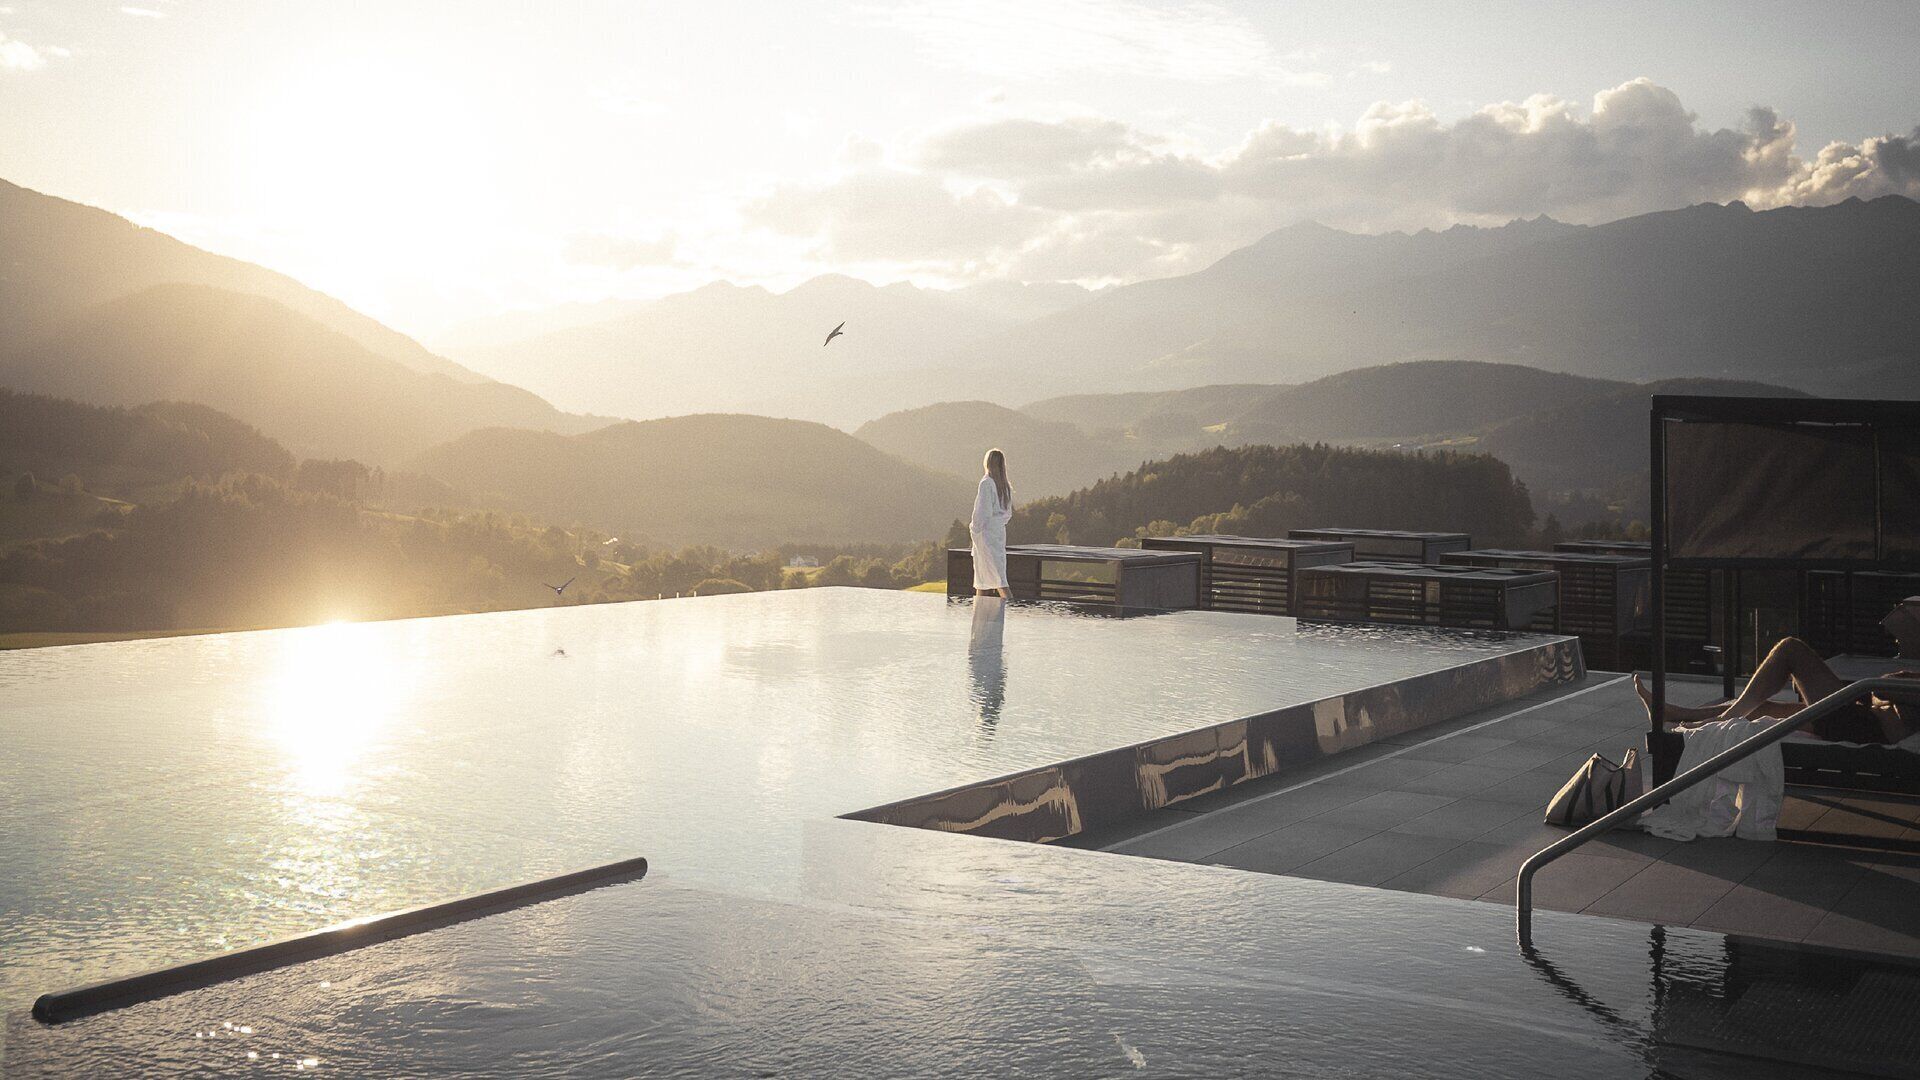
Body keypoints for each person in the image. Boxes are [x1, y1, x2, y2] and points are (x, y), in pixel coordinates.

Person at [1635, 598, 1920, 744]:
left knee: (1790, 649)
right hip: (1863, 717)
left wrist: (1897, 681)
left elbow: (1885, 689)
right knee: (1764, 707)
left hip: (1864, 726)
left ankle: (1723, 719)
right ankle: (1672, 714)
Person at [970, 448, 1013, 598]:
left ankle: (1012, 611)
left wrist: (974, 530)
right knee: (988, 577)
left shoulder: (986, 484)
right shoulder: (1005, 486)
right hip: (998, 534)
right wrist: (997, 524)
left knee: (996, 580)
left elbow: (982, 512)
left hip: (985, 535)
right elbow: (1008, 514)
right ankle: (980, 617)